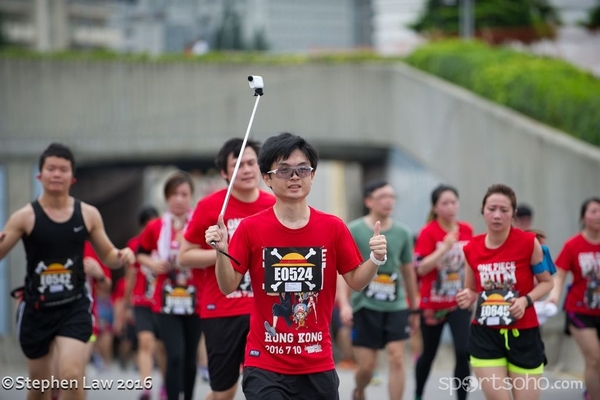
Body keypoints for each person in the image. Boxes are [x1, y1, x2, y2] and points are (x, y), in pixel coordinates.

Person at [205, 132, 386, 400]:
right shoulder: (250, 228)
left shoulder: (333, 227)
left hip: (317, 362)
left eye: (302, 169)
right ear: (267, 178)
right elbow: (227, 285)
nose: (294, 177)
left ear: (312, 176)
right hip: (264, 363)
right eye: (284, 170)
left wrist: (376, 259)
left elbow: (356, 281)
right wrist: (221, 252)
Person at [0, 143, 135, 400]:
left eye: (63, 169)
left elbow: (108, 254)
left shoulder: (88, 214)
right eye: (51, 168)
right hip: (36, 309)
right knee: (40, 388)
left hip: (74, 306)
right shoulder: (25, 217)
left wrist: (121, 256)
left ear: (72, 177)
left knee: (72, 378)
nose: (56, 174)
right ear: (40, 175)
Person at [179, 138, 275, 400]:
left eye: (251, 163)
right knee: (224, 391)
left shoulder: (273, 205)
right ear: (224, 172)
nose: (247, 170)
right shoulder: (211, 206)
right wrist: (224, 253)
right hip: (221, 308)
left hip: (264, 311)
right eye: (238, 165)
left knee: (266, 385)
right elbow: (184, 256)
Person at [456, 183, 554, 400]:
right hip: (485, 335)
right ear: (483, 211)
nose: (497, 215)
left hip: (524, 333)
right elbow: (472, 288)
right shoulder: (471, 248)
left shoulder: (528, 243)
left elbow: (547, 283)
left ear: (513, 213)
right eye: (492, 209)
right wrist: (468, 296)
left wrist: (526, 300)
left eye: (504, 210)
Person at [337, 179, 420, 400]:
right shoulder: (354, 229)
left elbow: (408, 271)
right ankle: (360, 390)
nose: (388, 201)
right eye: (382, 197)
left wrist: (414, 307)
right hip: (365, 304)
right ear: (369, 201)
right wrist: (344, 304)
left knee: (397, 357)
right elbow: (344, 270)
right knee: (366, 366)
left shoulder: (402, 232)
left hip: (396, 304)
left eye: (392, 197)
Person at [136, 171, 202, 400]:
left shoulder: (199, 225)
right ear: (167, 197)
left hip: (194, 299)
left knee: (190, 358)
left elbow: (213, 253)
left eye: (184, 194)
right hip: (165, 300)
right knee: (174, 355)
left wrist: (190, 248)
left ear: (191, 197)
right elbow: (140, 253)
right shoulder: (156, 226)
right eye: (174, 194)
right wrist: (153, 264)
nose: (179, 199)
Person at [414, 184, 473, 400]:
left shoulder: (466, 229)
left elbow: (471, 263)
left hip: (459, 301)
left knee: (462, 351)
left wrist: (472, 291)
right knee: (429, 353)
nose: (450, 207)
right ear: (435, 207)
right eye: (444, 203)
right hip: (433, 303)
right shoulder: (428, 231)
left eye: (453, 202)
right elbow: (420, 268)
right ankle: (418, 394)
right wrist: (445, 247)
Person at [547, 197, 600, 400]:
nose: (598, 216)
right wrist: (554, 296)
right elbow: (560, 274)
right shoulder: (573, 245)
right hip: (580, 310)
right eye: (593, 211)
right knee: (594, 359)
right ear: (583, 217)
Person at [124, 205, 168, 400]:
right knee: (145, 342)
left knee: (163, 347)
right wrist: (127, 303)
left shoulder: (166, 241)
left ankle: (166, 385)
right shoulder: (135, 245)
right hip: (142, 301)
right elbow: (130, 275)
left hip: (164, 301)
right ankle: (146, 387)